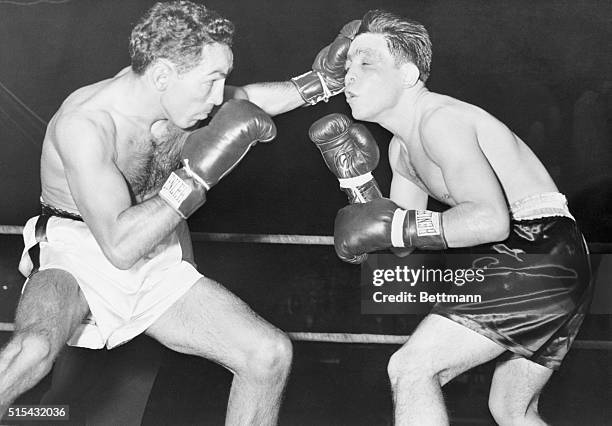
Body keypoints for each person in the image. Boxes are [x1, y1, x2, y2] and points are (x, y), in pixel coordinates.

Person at [0, 2, 359, 424]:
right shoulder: (86, 124)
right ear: (162, 75)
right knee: (33, 352)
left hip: (157, 253)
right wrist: (195, 178)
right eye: (210, 83)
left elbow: (246, 98)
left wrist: (321, 83)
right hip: (80, 248)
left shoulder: (180, 100)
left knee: (268, 355)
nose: (217, 97)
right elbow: (118, 246)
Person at [315, 9, 592, 425]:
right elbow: (402, 242)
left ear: (408, 75)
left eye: (366, 62)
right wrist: (359, 185)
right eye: (348, 64)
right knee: (511, 410)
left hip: (536, 245)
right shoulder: (401, 149)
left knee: (411, 368)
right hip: (557, 256)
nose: (348, 76)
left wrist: (395, 226)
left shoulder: (440, 120)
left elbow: (489, 220)